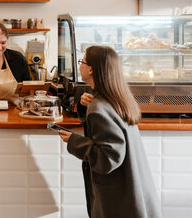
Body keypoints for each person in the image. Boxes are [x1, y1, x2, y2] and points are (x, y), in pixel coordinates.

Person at [59, 45, 161, 218]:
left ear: (91, 69)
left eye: (82, 61)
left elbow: (107, 159)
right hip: (135, 190)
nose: (79, 66)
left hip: (119, 200)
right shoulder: (119, 98)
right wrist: (86, 107)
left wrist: (74, 141)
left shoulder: (99, 107)